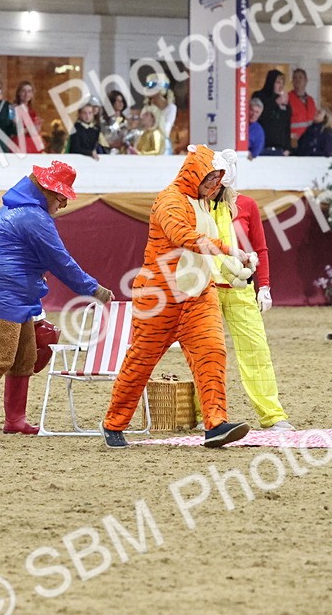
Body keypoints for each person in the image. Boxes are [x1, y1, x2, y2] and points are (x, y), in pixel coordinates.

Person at [0, 161, 114, 437]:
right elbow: (60, 261)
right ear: (46, 191)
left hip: (8, 289)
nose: (63, 205)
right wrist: (94, 289)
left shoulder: (17, 209)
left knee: (25, 356)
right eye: (61, 197)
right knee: (0, 356)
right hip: (2, 291)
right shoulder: (34, 217)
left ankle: (15, 420)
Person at [100, 145, 256, 450]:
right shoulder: (169, 200)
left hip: (198, 294)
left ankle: (216, 425)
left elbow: (204, 247)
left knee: (212, 353)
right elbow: (183, 236)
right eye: (210, 179)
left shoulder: (202, 202)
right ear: (195, 174)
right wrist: (229, 251)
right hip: (158, 297)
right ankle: (114, 423)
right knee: (141, 362)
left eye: (217, 181)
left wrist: (235, 270)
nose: (214, 187)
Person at [209, 154, 297, 431]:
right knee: (208, 352)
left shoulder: (247, 205)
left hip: (239, 289)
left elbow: (260, 248)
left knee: (256, 350)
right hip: (206, 289)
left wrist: (265, 286)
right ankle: (206, 412)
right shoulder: (198, 205)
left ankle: (272, 414)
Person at [252, 69, 291, 156]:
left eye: (282, 83)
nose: (280, 86)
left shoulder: (284, 102)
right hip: (262, 146)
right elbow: (260, 117)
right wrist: (275, 103)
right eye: (278, 82)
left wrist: (288, 147)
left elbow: (286, 125)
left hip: (279, 149)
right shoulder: (259, 96)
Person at [143, 73, 177, 153]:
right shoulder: (146, 108)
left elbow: (166, 130)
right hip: (147, 144)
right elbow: (143, 128)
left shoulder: (171, 108)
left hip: (162, 145)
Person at [11, 81, 45, 153]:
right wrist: (32, 128)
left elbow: (35, 131)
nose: (26, 94)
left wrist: (38, 127)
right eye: (23, 91)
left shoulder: (32, 111)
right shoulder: (12, 109)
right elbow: (16, 129)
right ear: (18, 93)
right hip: (20, 144)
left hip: (33, 146)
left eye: (29, 91)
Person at [288, 68, 317, 143]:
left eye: (300, 77)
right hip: (293, 141)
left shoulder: (311, 101)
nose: (297, 80)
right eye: (295, 78)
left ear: (306, 80)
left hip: (310, 140)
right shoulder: (287, 99)